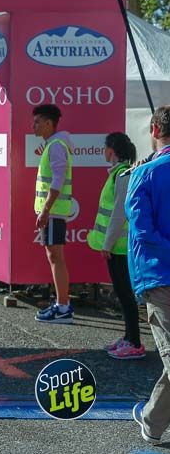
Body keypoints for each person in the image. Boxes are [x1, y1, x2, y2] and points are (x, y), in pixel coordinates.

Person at [128, 107, 170, 443]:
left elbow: (142, 230)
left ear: (154, 128)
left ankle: (152, 421)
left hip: (157, 276)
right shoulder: (147, 172)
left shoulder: (144, 173)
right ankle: (152, 422)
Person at [87, 132, 144, 359]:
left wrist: (108, 243)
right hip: (118, 247)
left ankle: (135, 343)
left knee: (125, 294)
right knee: (122, 294)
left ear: (111, 149)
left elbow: (119, 213)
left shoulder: (122, 175)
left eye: (105, 147)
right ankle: (128, 337)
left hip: (119, 247)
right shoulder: (119, 174)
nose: (103, 151)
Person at [31, 104, 75, 324]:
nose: (34, 125)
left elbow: (57, 182)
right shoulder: (53, 144)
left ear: (49, 123)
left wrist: (46, 210)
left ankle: (64, 307)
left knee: (56, 257)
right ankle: (62, 304)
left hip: (55, 212)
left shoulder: (56, 145)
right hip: (54, 212)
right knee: (54, 256)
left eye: (38, 121)